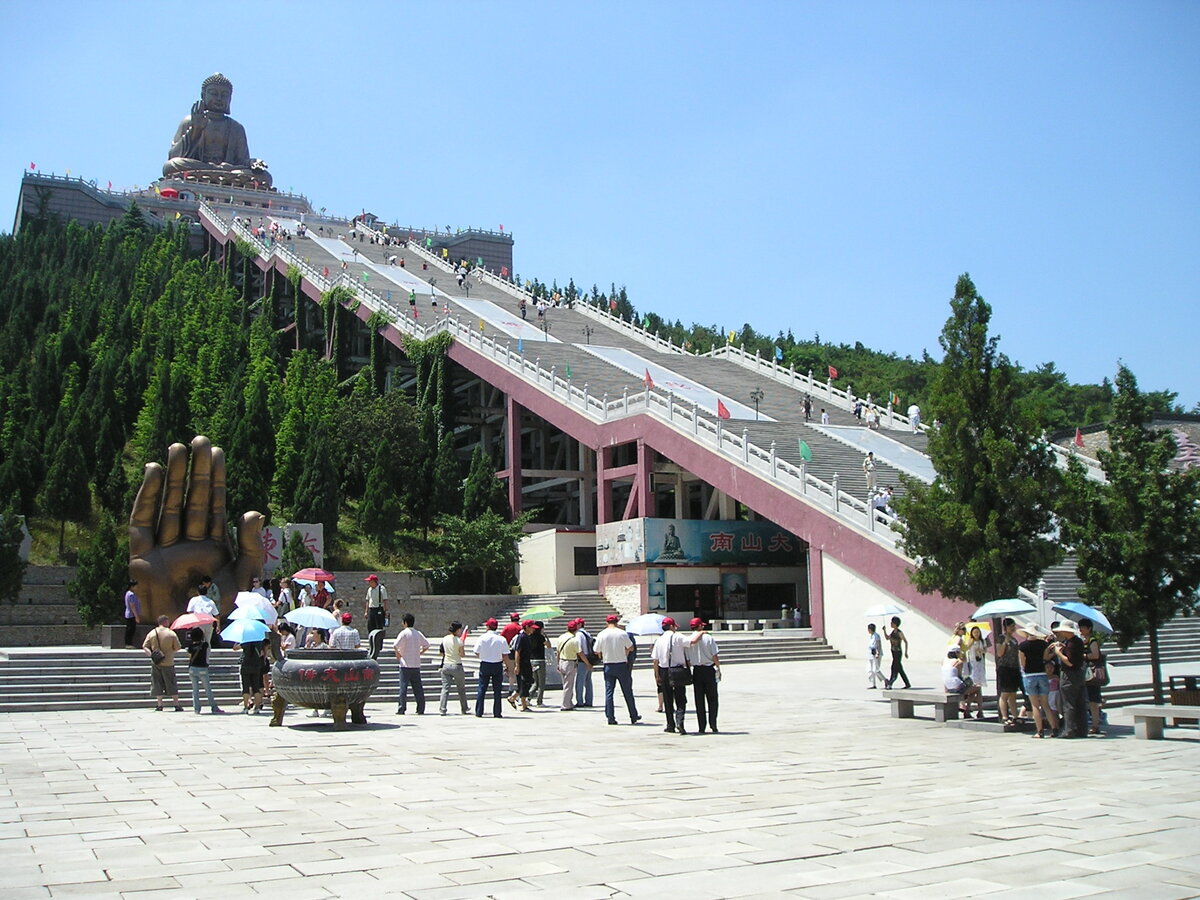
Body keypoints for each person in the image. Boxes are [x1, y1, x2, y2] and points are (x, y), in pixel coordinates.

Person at [594, 614, 641, 726]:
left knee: (609, 692)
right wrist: (625, 652)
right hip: (621, 664)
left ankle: (610, 717)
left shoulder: (602, 634)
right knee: (627, 691)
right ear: (617, 622)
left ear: (607, 623)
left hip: (608, 665)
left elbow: (596, 650)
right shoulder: (622, 633)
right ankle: (633, 715)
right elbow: (631, 647)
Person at [1017, 622, 1058, 738]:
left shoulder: (1022, 646)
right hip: (1042, 674)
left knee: (1035, 705)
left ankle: (1040, 731)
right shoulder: (1043, 644)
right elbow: (1046, 658)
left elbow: (1023, 663)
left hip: (1029, 675)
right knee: (1046, 705)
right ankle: (1054, 729)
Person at [1050, 621, 1088, 738]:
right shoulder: (1077, 641)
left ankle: (1069, 730)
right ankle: (1082, 730)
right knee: (1080, 703)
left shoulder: (1072, 643)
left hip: (1069, 675)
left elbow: (1069, 662)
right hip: (1079, 674)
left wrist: (1058, 653)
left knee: (1068, 703)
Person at [652, 618, 691, 734]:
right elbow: (691, 642)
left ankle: (670, 724)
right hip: (678, 670)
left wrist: (657, 676)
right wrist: (701, 633)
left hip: (664, 670)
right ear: (672, 626)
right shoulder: (678, 636)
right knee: (681, 698)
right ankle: (680, 721)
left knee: (667, 699)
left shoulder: (659, 640)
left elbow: (655, 660)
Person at [685, 618, 720, 734]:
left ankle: (701, 726)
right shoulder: (708, 638)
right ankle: (713, 724)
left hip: (697, 670)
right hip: (709, 669)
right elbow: (714, 655)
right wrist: (718, 667)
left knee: (699, 700)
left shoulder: (689, 639)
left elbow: (688, 659)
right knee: (713, 698)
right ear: (700, 626)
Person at [143, 615, 182, 711]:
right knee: (171, 682)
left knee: (157, 683)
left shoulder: (152, 633)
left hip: (156, 662)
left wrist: (152, 655)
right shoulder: (171, 633)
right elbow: (178, 647)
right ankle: (176, 704)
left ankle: (160, 705)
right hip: (168, 662)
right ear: (165, 622)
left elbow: (145, 646)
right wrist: (170, 651)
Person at [393, 613, 430, 715]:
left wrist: (398, 655)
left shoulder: (404, 633)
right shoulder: (418, 633)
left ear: (405, 623)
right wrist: (420, 653)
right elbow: (427, 645)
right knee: (418, 688)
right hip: (416, 664)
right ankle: (421, 708)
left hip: (405, 664)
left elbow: (395, 646)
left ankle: (402, 708)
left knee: (403, 687)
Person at [473, 618, 509, 718]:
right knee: (497, 690)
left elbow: (476, 651)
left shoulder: (482, 638)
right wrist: (507, 666)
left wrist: (483, 656)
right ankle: (497, 712)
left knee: (482, 688)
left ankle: (479, 711)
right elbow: (505, 655)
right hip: (497, 664)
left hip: (485, 664)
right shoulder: (501, 639)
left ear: (487, 627)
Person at [185, 627, 222, 715]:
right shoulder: (204, 645)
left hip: (192, 668)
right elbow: (206, 640)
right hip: (202, 668)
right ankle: (214, 707)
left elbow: (189, 657)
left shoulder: (190, 647)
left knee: (195, 690)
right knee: (207, 689)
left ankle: (197, 709)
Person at [437, 622, 470, 715]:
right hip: (456, 665)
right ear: (457, 630)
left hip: (446, 665)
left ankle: (442, 709)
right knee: (461, 689)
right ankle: (464, 708)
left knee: (445, 688)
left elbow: (441, 652)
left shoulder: (445, 639)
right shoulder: (459, 641)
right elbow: (462, 654)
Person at [554, 620, 587, 710]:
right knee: (568, 685)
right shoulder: (574, 640)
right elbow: (580, 653)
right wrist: (587, 663)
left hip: (561, 661)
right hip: (570, 663)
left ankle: (569, 702)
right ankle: (565, 704)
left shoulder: (561, 637)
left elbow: (558, 652)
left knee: (566, 684)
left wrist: (557, 663)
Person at [995, 617, 1022, 725]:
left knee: (1013, 694)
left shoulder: (1014, 639)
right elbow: (1000, 653)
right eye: (1011, 626)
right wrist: (1005, 643)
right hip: (1005, 668)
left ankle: (1015, 716)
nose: (1013, 628)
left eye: (1014, 626)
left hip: (1014, 668)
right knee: (1005, 693)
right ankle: (1005, 717)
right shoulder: (1001, 638)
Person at [1080, 619, 1105, 735]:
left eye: (1083, 627)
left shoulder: (1092, 640)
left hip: (1091, 674)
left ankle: (1095, 725)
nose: (1081, 630)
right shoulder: (1084, 640)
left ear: (1089, 628)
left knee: (1093, 701)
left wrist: (1083, 655)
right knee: (1089, 700)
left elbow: (1095, 655)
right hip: (1085, 673)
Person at [942, 649, 982, 715]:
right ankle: (975, 711)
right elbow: (959, 676)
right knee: (977, 688)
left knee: (972, 689)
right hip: (956, 687)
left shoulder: (945, 662)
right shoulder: (958, 662)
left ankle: (968, 710)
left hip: (948, 688)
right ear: (957, 653)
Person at [507, 620, 536, 712]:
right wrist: (517, 665)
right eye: (532, 628)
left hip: (527, 663)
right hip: (522, 664)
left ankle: (512, 698)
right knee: (524, 683)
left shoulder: (527, 637)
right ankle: (523, 705)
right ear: (527, 627)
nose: (533, 629)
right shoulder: (521, 637)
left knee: (527, 682)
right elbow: (517, 652)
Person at [237, 638, 268, 714]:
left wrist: (238, 641)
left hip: (246, 665)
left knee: (246, 687)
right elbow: (263, 653)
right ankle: (257, 707)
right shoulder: (259, 641)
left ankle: (245, 707)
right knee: (256, 688)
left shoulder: (245, 641)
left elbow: (235, 648)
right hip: (256, 666)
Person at [882, 616, 910, 689]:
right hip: (893, 652)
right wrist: (884, 630)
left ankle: (890, 683)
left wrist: (906, 652)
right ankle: (907, 684)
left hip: (898, 652)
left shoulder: (899, 633)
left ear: (895, 624)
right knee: (899, 669)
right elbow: (887, 638)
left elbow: (905, 641)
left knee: (894, 668)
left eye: (892, 623)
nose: (891, 624)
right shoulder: (893, 632)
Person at [964, 625, 988, 706]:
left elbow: (985, 650)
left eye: (977, 632)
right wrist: (971, 643)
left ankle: (977, 706)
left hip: (980, 662)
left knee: (979, 685)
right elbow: (966, 648)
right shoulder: (971, 640)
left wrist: (981, 650)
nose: (976, 634)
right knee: (974, 683)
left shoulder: (982, 641)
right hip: (973, 663)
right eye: (974, 632)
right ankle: (969, 703)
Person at [528, 621, 550, 706]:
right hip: (540, 661)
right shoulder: (541, 637)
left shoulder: (530, 637)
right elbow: (549, 646)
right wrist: (546, 636)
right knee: (541, 683)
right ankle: (539, 701)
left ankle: (528, 698)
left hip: (532, 661)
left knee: (535, 682)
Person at [575, 618, 596, 707]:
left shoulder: (579, 634)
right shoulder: (587, 633)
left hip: (582, 659)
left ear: (579, 625)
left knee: (580, 682)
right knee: (588, 681)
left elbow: (579, 649)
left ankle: (579, 701)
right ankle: (589, 701)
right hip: (589, 658)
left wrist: (585, 662)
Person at [123, 581, 141, 648]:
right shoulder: (131, 595)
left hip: (129, 614)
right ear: (132, 586)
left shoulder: (128, 593)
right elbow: (132, 606)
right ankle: (128, 643)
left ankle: (128, 643)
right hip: (131, 615)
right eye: (136, 586)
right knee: (130, 629)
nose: (137, 588)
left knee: (130, 629)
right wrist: (136, 616)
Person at [866, 622, 883, 688]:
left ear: (870, 629)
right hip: (871, 654)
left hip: (876, 654)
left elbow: (878, 644)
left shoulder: (876, 636)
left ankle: (885, 680)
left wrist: (878, 653)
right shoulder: (871, 636)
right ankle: (873, 684)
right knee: (870, 670)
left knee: (876, 670)